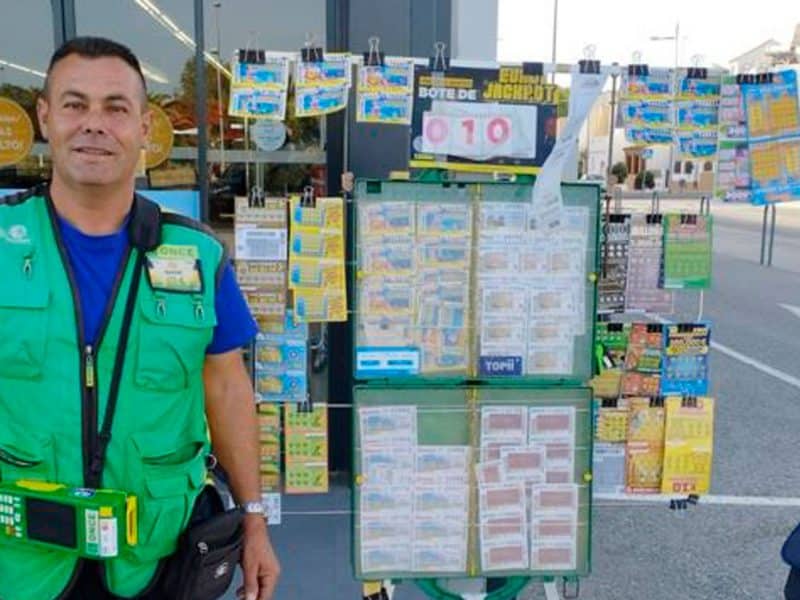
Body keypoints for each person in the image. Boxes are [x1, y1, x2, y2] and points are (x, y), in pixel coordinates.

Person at [0, 37, 279, 599]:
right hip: (22, 559)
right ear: (46, 117)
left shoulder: (199, 256)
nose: (94, 124)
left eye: (116, 107)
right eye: (75, 104)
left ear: (145, 128)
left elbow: (226, 389)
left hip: (156, 556)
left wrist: (254, 520)